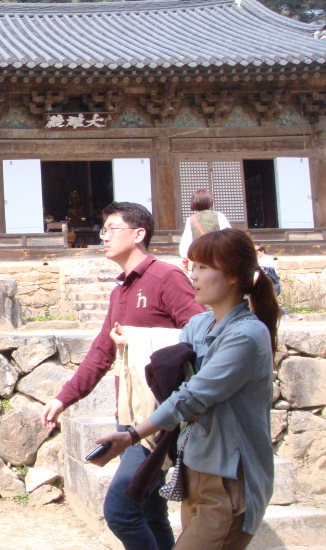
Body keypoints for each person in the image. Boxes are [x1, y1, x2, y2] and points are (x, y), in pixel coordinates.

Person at [93, 228, 278, 550]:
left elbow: (191, 396)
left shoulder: (246, 335)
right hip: (196, 472)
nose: (193, 276)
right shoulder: (199, 325)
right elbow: (173, 372)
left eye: (204, 267)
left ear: (233, 275)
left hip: (230, 478)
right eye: (193, 266)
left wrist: (133, 435)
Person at [41, 202, 204, 550]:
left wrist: (139, 341)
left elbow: (199, 334)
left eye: (112, 229)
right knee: (149, 512)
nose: (104, 237)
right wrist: (62, 398)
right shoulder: (120, 291)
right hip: (128, 410)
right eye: (104, 230)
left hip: (159, 414)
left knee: (121, 510)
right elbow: (101, 352)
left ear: (139, 234)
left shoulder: (166, 277)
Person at [178, 188, 230, 263]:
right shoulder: (219, 215)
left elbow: (187, 240)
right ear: (210, 201)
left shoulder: (191, 219)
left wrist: (185, 256)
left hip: (200, 257)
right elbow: (228, 236)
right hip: (217, 256)